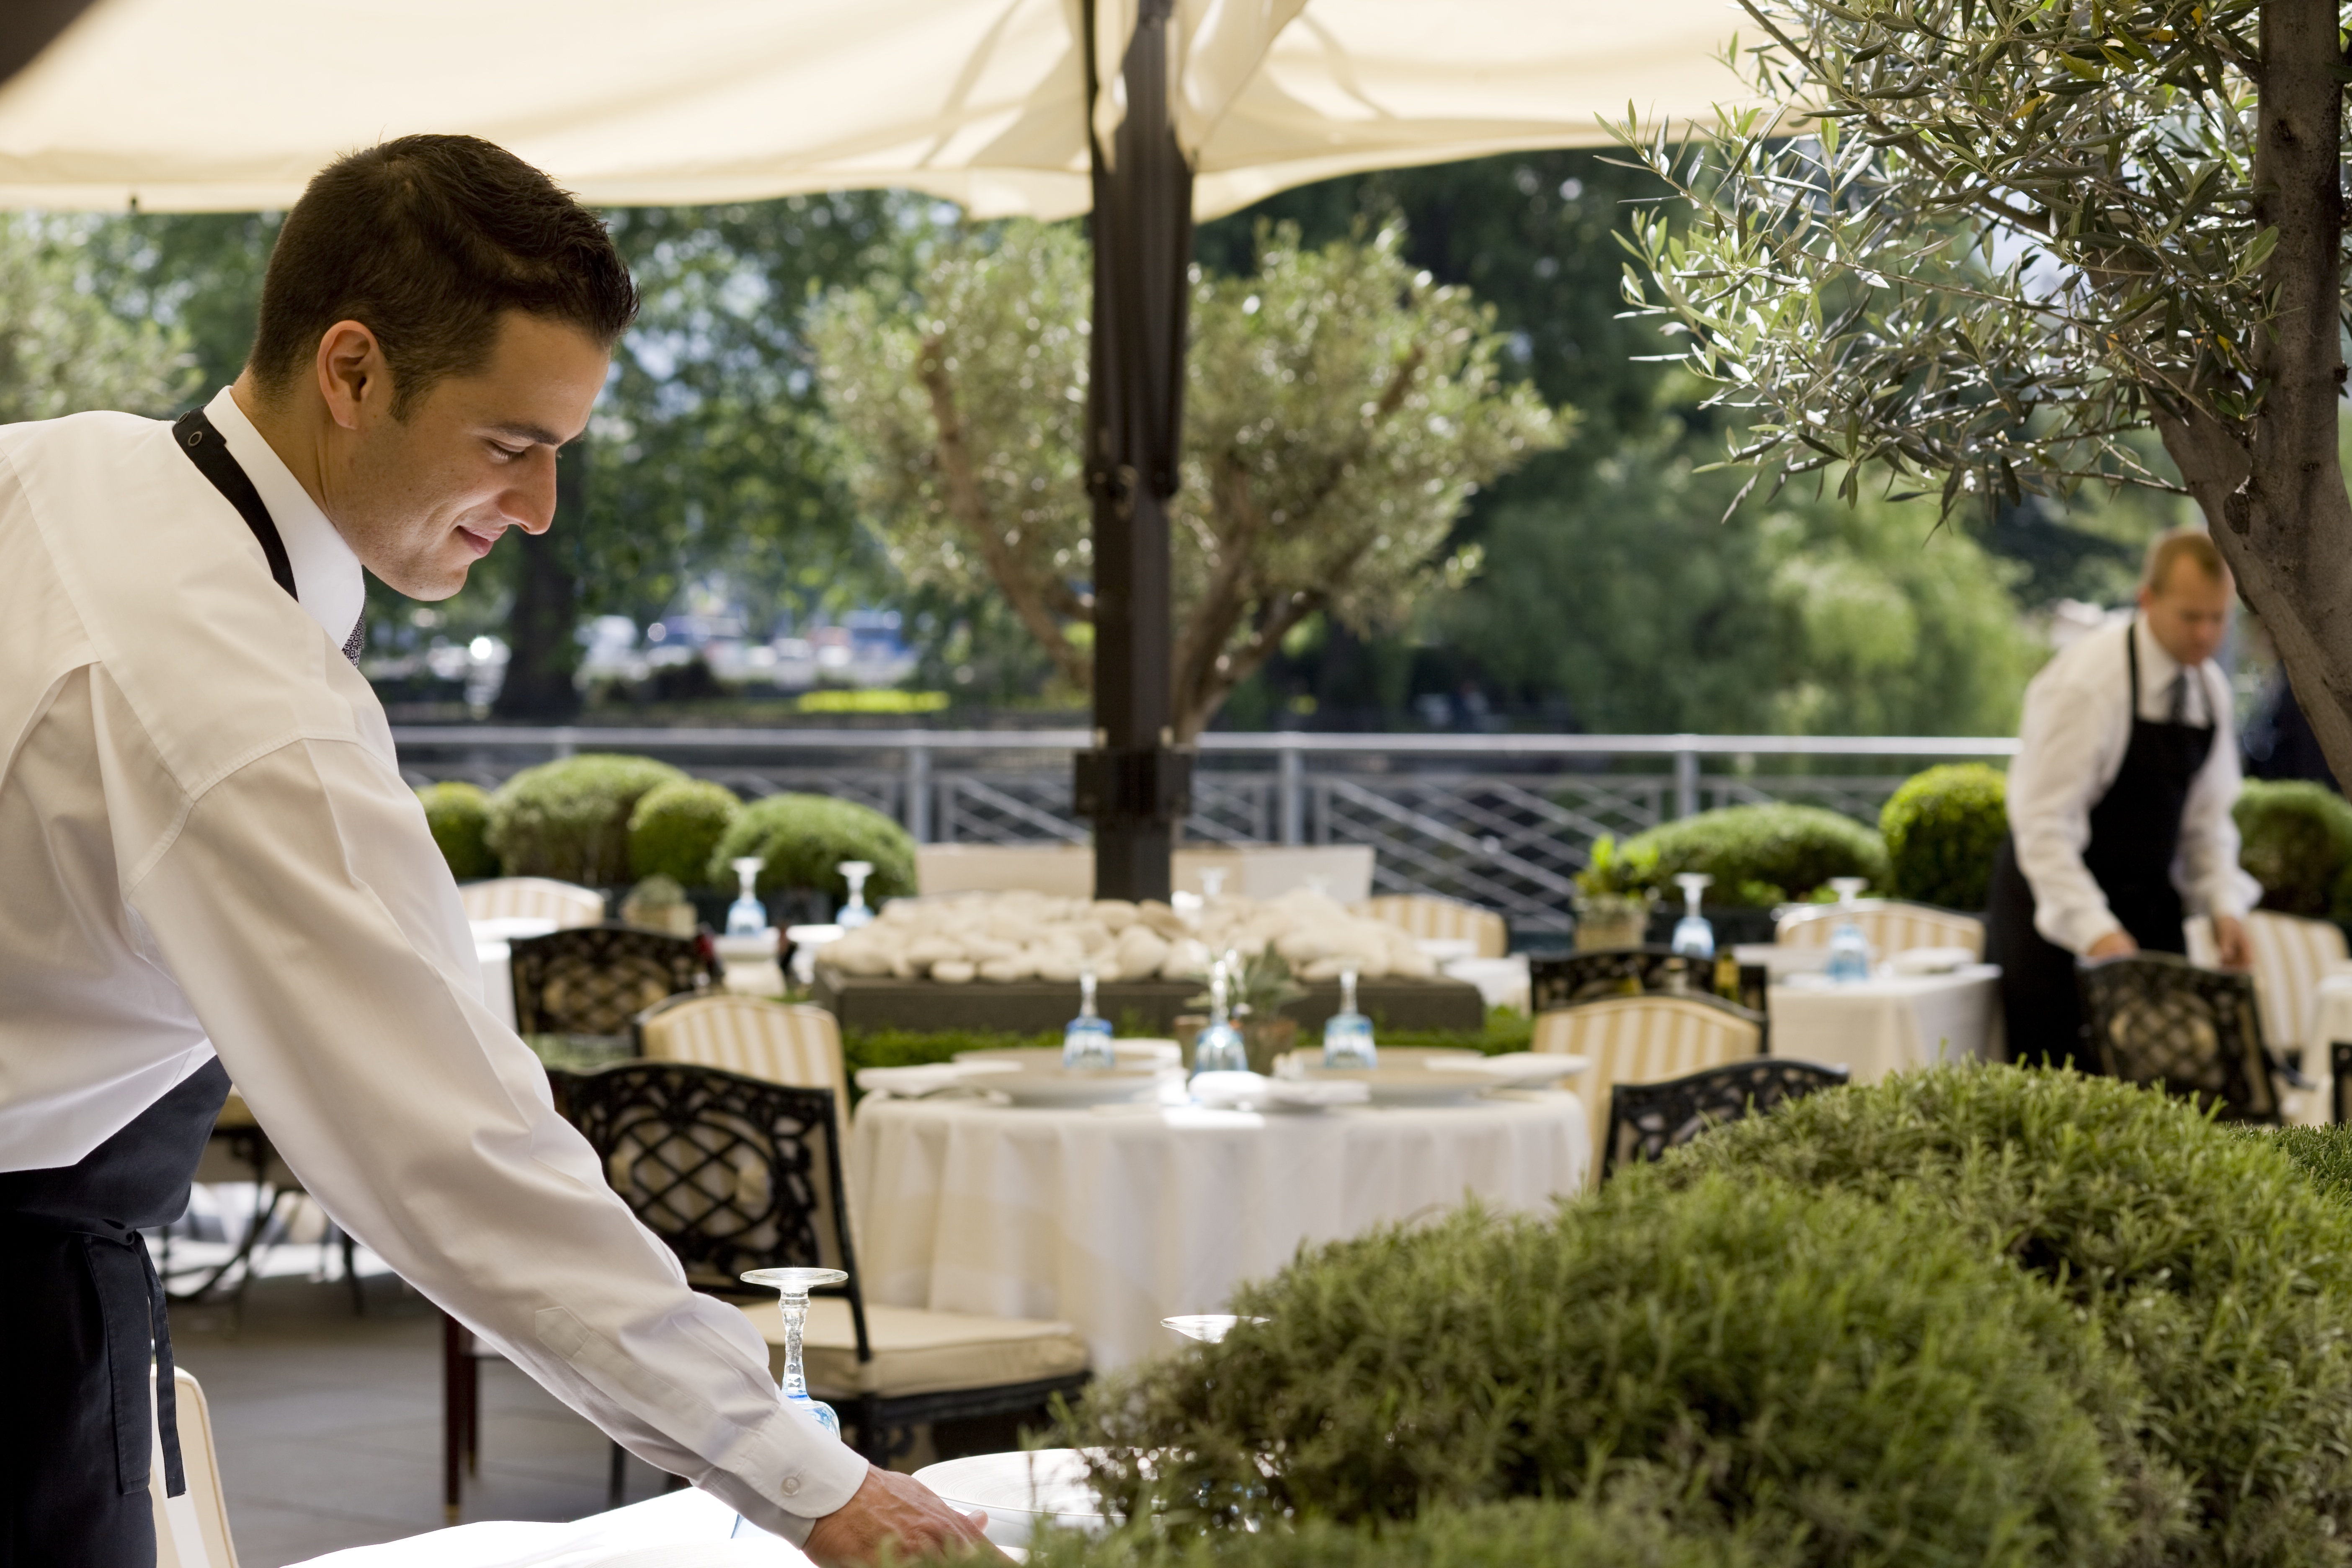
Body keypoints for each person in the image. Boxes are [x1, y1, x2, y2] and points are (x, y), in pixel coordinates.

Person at [0, 135, 992, 1567]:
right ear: (352, 371)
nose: (536, 511)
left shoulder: (58, 467)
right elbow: (459, 1159)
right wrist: (817, 1485)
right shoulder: (238, 707)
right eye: (510, 447)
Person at [1986, 529, 2260, 1066]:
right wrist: (2098, 933)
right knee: (2065, 1092)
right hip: (2055, 925)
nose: (2205, 634)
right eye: (2190, 617)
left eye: (2218, 618)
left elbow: (2207, 828)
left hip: (2148, 913)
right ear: (2147, 600)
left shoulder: (2210, 691)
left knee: (2163, 1085)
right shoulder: (2088, 684)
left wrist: (2224, 907)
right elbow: (2042, 827)